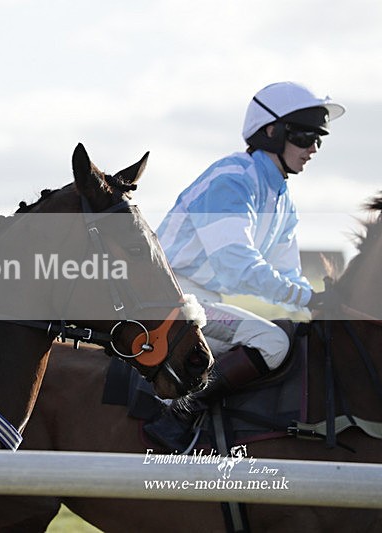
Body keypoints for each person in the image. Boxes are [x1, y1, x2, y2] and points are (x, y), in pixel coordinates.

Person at [144, 81, 345, 451]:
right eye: (305, 136)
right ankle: (178, 414)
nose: (313, 148)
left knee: (293, 336)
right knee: (271, 340)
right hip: (169, 296)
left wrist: (315, 309)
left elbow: (288, 276)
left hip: (197, 300)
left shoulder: (282, 200)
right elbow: (237, 265)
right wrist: (307, 298)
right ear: (272, 132)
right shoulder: (233, 178)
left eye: (319, 139)